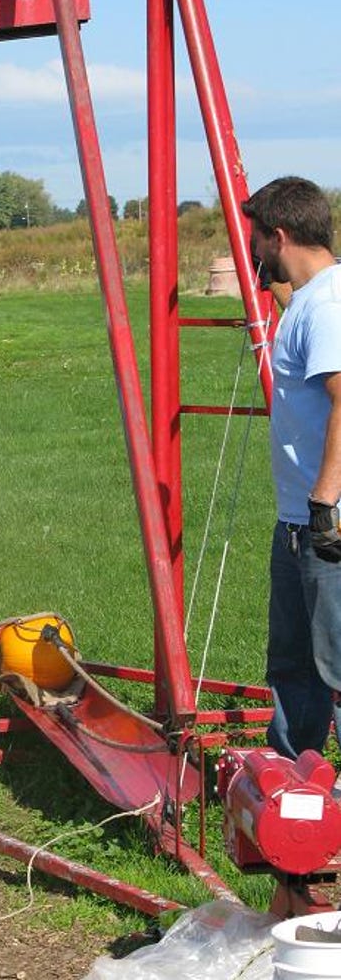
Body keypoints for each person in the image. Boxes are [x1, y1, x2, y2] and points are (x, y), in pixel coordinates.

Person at [242, 176, 341, 759]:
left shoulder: (327, 307)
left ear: (278, 235)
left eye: (257, 239)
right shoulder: (312, 301)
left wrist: (325, 499)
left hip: (324, 520)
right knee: (294, 661)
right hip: (299, 521)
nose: (252, 252)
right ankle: (287, 782)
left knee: (332, 660)